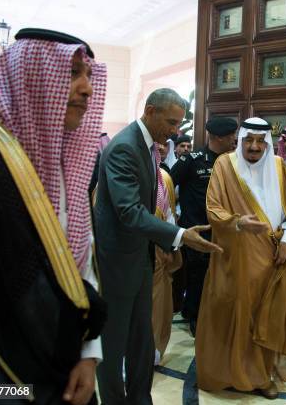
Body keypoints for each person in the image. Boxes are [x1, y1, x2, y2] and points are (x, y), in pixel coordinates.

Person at [0, 28, 107, 404]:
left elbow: (80, 267)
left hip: (64, 367)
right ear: (31, 79)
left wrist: (90, 355)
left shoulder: (66, 160)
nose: (86, 88)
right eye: (72, 72)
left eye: (89, 75)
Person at [94, 88, 221, 404]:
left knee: (142, 341)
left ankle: (140, 398)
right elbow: (129, 212)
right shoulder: (124, 147)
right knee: (113, 344)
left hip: (141, 259)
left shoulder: (149, 146)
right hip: (119, 264)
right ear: (150, 111)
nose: (176, 131)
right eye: (171, 122)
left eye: (179, 124)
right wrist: (178, 235)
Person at [195, 117, 286, 399]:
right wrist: (238, 222)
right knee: (232, 314)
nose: (254, 147)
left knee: (265, 318)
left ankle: (260, 376)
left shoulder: (279, 168)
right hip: (234, 258)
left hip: (272, 258)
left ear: (268, 142)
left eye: (260, 141)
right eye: (248, 140)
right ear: (239, 139)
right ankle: (229, 373)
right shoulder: (224, 165)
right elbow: (213, 208)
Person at [169, 117, 237, 336]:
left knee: (220, 274)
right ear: (216, 137)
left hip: (225, 230)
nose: (234, 140)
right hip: (198, 229)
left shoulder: (233, 160)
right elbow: (168, 183)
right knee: (199, 275)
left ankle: (202, 311)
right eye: (229, 136)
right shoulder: (192, 160)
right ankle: (197, 317)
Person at [151, 138, 182, 366]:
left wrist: (172, 246)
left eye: (164, 144)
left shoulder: (165, 178)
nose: (160, 148)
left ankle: (152, 353)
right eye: (155, 143)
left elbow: (169, 215)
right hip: (131, 255)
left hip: (159, 254)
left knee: (159, 308)